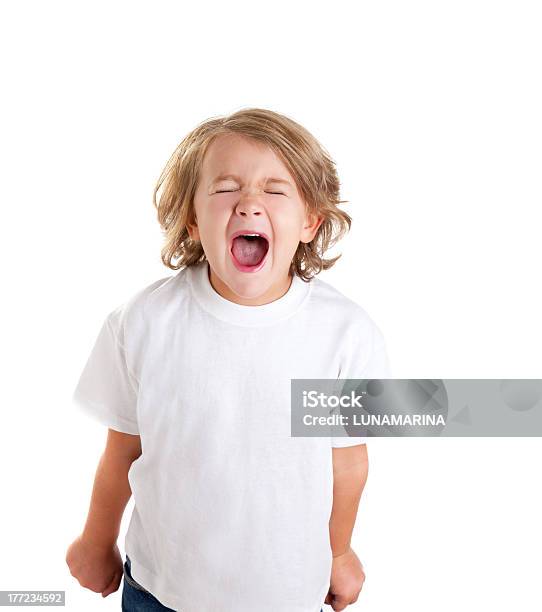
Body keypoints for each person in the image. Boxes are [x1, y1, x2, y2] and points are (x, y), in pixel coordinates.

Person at [65, 107, 392, 612]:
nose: (248, 204)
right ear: (193, 220)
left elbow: (347, 465)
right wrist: (94, 540)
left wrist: (340, 552)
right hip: (159, 590)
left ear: (310, 221)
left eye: (275, 190)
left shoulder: (342, 335)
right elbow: (122, 451)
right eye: (225, 188)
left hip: (285, 593)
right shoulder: (146, 322)